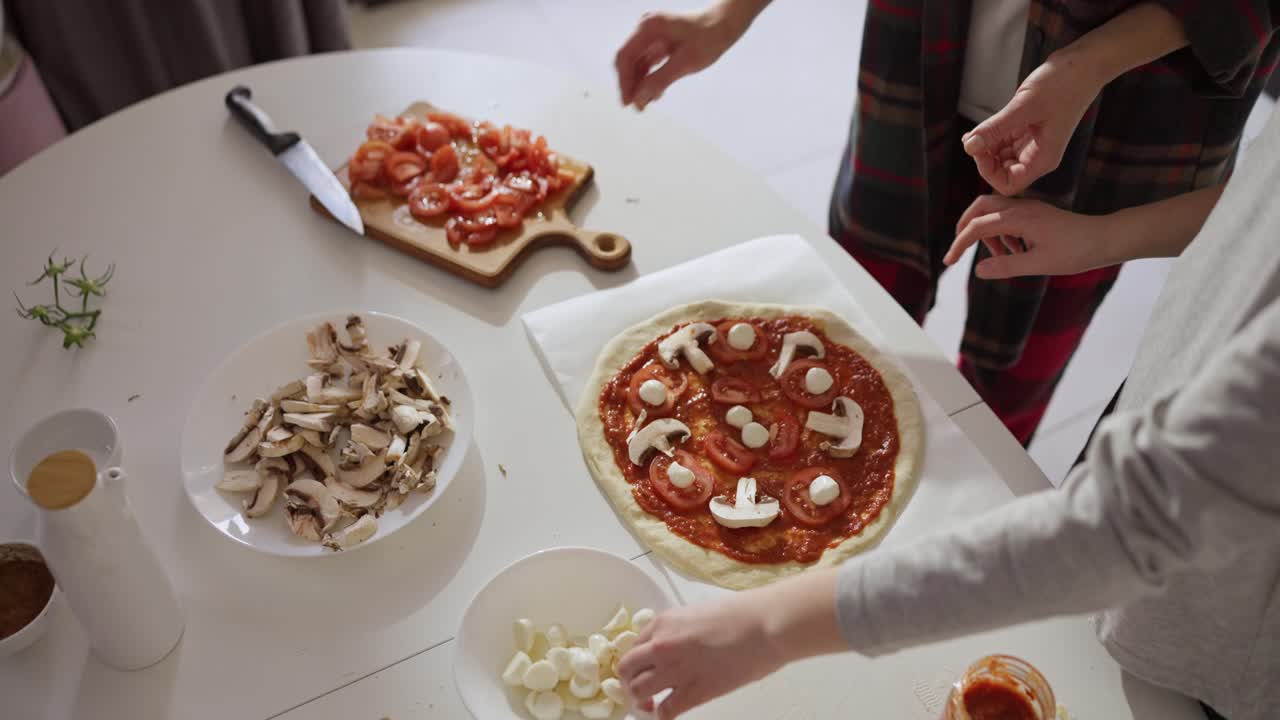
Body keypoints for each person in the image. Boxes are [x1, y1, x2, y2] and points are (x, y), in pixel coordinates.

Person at [615, 104, 1280, 720]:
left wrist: (768, 628)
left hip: (1219, 645)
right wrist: (1098, 238)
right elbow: (1258, 201)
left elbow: (1122, 526)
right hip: (1159, 484)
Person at [615, 1, 1279, 445]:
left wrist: (1082, 66)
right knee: (849, 314)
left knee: (1004, 396)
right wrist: (727, 17)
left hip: (1123, 123)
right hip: (919, 52)